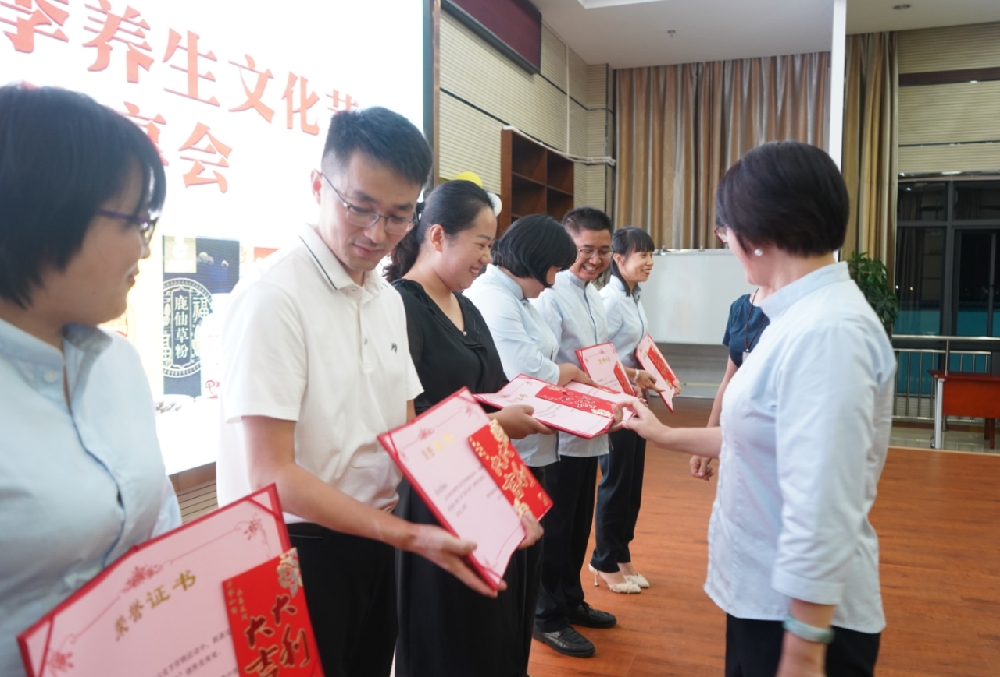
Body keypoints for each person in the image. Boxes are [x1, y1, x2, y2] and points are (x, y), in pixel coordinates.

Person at [216, 108, 494, 677]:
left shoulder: (386, 298)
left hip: (376, 540)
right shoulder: (274, 298)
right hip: (291, 552)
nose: (376, 232)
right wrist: (406, 533)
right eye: (360, 207)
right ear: (319, 186)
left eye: (398, 216)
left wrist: (492, 509)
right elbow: (271, 474)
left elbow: (410, 430)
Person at [622, 141, 893, 677]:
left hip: (799, 620)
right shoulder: (795, 316)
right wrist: (662, 434)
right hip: (768, 600)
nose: (726, 242)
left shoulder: (828, 331)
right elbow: (764, 435)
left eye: (727, 230)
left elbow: (824, 500)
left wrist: (805, 646)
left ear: (759, 232)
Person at [0, 84, 181, 677]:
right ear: (46, 211)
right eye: (135, 222)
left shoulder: (119, 364)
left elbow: (159, 520)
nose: (143, 251)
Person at [383, 180, 547, 677]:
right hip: (437, 495)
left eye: (491, 245)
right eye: (481, 244)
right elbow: (409, 419)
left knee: (495, 624)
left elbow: (495, 388)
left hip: (487, 477)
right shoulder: (401, 306)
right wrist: (496, 422)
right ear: (437, 236)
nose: (487, 259)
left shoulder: (466, 305)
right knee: (450, 630)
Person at [465, 214, 593, 662]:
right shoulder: (493, 298)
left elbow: (543, 366)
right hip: (512, 440)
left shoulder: (517, 297)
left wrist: (563, 375)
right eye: (554, 268)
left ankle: (546, 615)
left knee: (543, 542)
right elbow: (530, 372)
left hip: (535, 435)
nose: (555, 279)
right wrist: (567, 372)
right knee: (521, 552)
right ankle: (542, 619)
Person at [529, 207, 622, 658]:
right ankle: (546, 616)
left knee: (578, 525)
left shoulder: (594, 295)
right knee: (557, 527)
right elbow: (545, 370)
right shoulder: (549, 297)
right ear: (568, 247)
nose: (595, 259)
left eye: (604, 250)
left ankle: (570, 599)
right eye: (586, 250)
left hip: (592, 429)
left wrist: (623, 388)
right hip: (562, 434)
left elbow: (599, 360)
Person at [590, 226, 667, 591]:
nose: (649, 262)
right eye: (642, 255)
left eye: (651, 255)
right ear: (618, 259)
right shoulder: (609, 300)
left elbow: (637, 349)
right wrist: (635, 375)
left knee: (631, 485)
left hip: (635, 401)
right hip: (615, 404)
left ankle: (621, 555)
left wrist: (659, 376)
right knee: (616, 482)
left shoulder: (633, 296)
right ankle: (603, 561)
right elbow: (598, 358)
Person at [690, 288, 770, 482]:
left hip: (769, 431)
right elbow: (729, 379)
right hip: (739, 424)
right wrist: (707, 438)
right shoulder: (739, 307)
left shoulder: (791, 310)